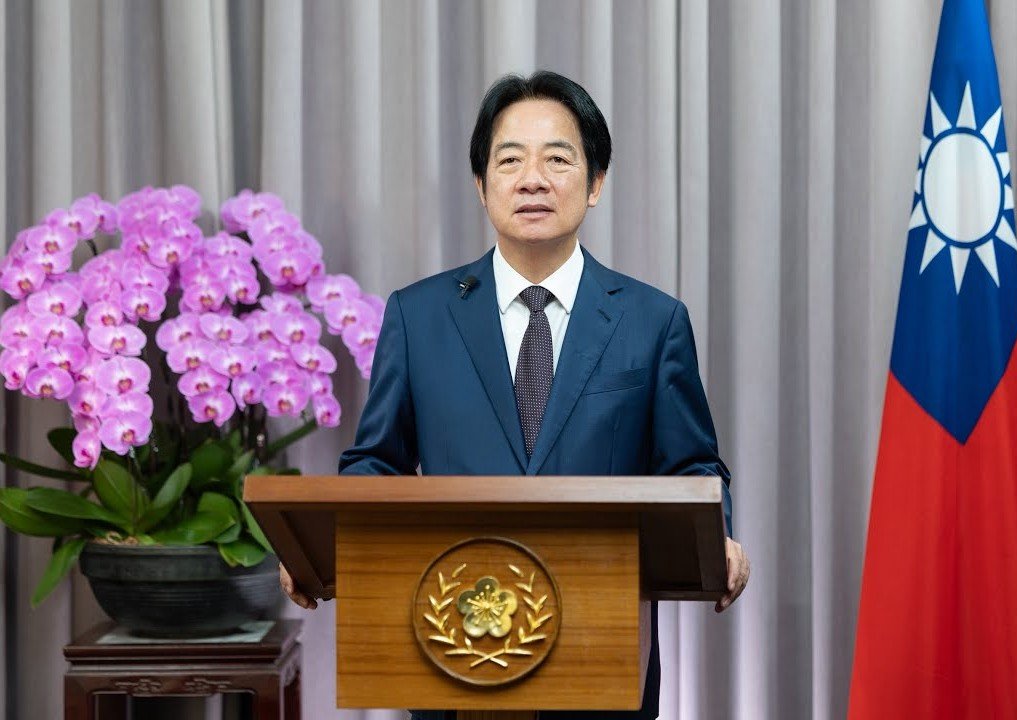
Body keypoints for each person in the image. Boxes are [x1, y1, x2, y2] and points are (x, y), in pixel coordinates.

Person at [280, 70, 750, 720]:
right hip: (452, 645)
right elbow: (376, 462)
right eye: (509, 161)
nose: (533, 179)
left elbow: (692, 464)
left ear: (595, 183)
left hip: (603, 655)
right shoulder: (418, 316)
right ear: (481, 184)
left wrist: (719, 535)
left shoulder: (652, 321)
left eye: (557, 158)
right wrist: (320, 549)